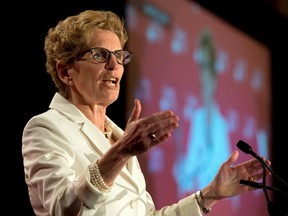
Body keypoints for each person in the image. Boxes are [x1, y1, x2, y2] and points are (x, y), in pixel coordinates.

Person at [22, 10, 271, 216]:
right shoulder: (45, 128)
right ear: (66, 71)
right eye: (99, 55)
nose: (114, 65)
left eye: (119, 55)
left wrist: (209, 194)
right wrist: (121, 153)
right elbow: (63, 208)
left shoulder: (119, 136)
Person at [173, 29, 231, 196]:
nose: (203, 79)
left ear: (215, 77)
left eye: (207, 70)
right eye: (201, 70)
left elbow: (225, 178)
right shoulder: (197, 119)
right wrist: (181, 167)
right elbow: (187, 177)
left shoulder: (221, 125)